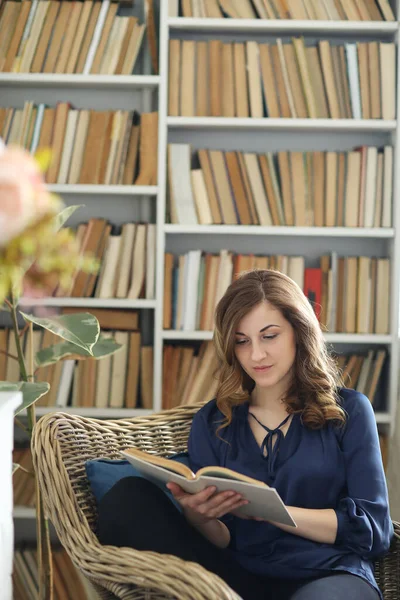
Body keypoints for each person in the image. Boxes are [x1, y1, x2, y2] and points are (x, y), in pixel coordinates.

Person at [97, 269, 393, 600]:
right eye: (242, 341)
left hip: (328, 572)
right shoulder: (213, 421)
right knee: (127, 499)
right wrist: (199, 514)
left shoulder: (349, 411)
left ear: (299, 332)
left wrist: (274, 512)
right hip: (236, 580)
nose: (256, 355)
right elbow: (224, 538)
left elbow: (375, 531)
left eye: (269, 336)